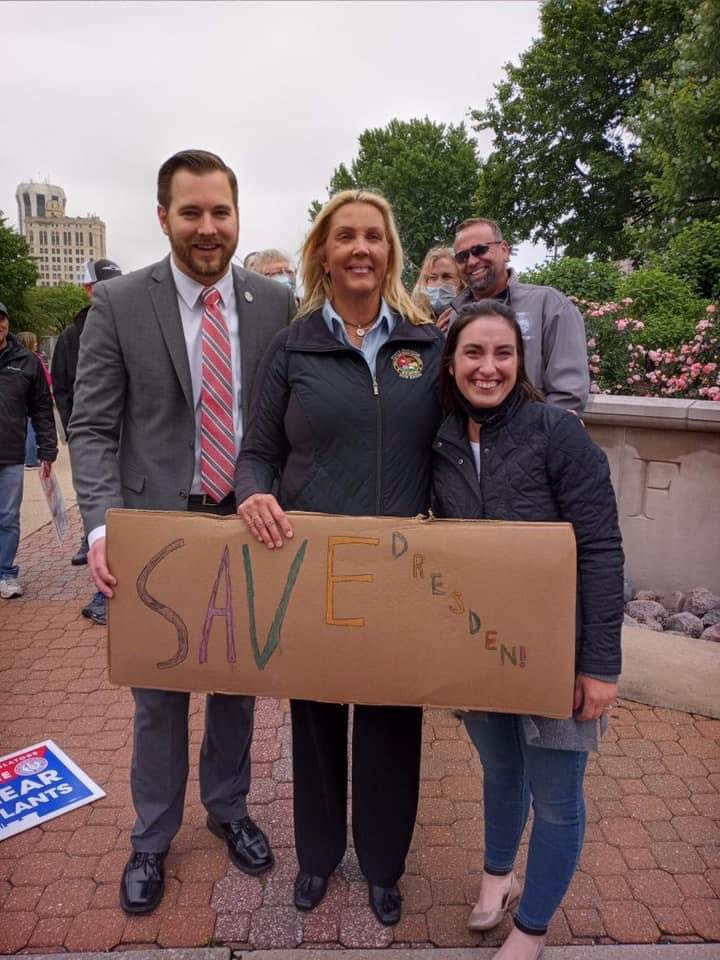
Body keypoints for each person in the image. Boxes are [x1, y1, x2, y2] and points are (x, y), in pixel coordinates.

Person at [68, 149, 295, 916]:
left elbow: (286, 420)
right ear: (162, 216)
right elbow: (92, 427)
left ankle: (228, 809)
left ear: (238, 215)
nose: (208, 228)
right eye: (191, 212)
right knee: (159, 697)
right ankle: (152, 838)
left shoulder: (273, 303)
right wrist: (101, 528)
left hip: (245, 526)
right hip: (157, 530)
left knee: (238, 684)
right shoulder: (120, 303)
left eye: (220, 212)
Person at [235, 189, 444, 926]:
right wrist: (252, 495)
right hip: (312, 565)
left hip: (398, 570)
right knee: (316, 717)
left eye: (374, 237)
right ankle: (318, 859)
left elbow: (465, 439)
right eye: (344, 236)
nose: (360, 248)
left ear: (391, 252)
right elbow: (257, 452)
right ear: (322, 252)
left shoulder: (428, 342)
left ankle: (384, 865)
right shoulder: (292, 346)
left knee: (392, 721)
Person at [431, 300, 623, 960]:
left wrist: (600, 664)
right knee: (499, 770)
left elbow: (600, 547)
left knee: (557, 793)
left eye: (503, 354)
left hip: (557, 651)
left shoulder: (556, 433)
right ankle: (497, 873)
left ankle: (533, 926)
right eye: (474, 354)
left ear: (522, 362)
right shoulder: (443, 438)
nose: (489, 368)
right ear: (451, 362)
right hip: (480, 648)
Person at [450, 218, 589, 413]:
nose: (472, 261)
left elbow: (568, 394)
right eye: (462, 256)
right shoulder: (455, 317)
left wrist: (535, 438)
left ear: (505, 250)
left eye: (480, 250)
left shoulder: (549, 305)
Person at [52, 258, 123, 624]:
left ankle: (109, 592)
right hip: (96, 435)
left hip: (132, 440)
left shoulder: (133, 321)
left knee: (125, 514)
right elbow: (63, 387)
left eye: (115, 282)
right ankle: (103, 593)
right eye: (101, 285)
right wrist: (76, 432)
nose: (109, 289)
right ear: (88, 288)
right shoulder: (71, 335)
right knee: (101, 505)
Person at [0, 303, 58, 599]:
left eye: (2, 318)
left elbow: (42, 409)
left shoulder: (26, 361)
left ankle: (6, 573)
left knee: (8, 516)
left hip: (10, 454)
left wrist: (47, 450)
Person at [15, 331, 51, 468]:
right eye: (34, 342)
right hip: (33, 400)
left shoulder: (18, 361)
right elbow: (45, 380)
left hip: (23, 401)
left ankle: (27, 456)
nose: (36, 344)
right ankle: (30, 460)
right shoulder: (34, 360)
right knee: (32, 429)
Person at [411, 245, 462, 331]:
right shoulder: (412, 323)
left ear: (461, 281)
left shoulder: (473, 318)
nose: (439, 284)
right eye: (433, 277)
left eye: (447, 277)